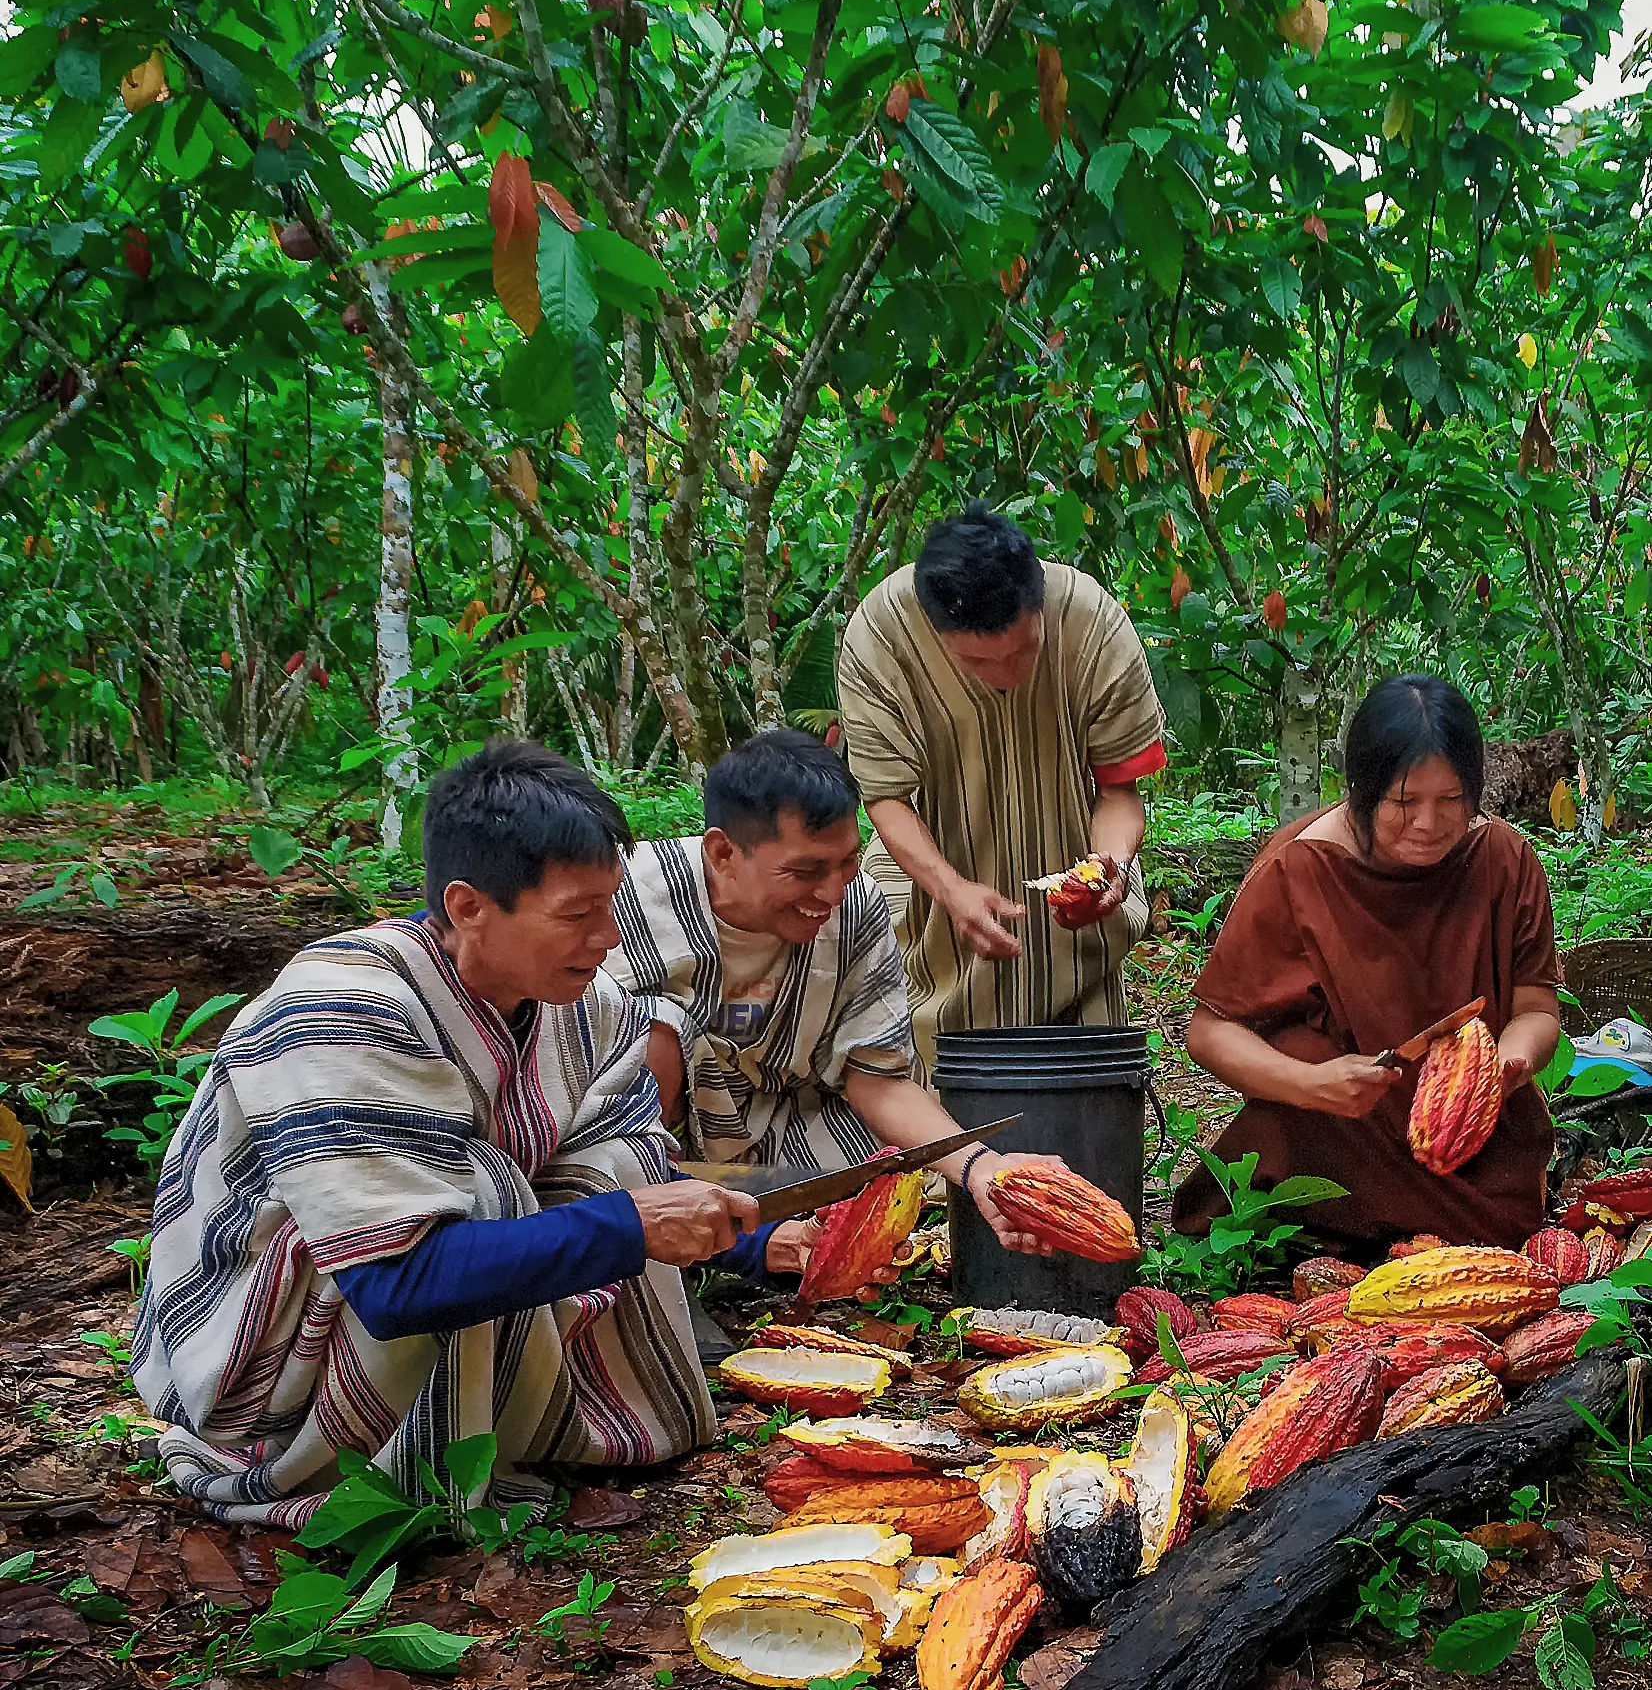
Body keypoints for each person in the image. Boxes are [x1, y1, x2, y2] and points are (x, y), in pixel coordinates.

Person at [133, 741, 788, 1527]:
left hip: (415, 1290)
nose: (609, 936)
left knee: (609, 1163)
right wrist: (633, 1224)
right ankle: (383, 1467)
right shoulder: (343, 1006)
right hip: (273, 1348)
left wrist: (758, 1237)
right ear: (469, 906)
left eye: (611, 906)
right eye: (578, 914)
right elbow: (393, 1279)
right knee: (482, 1186)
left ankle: (521, 1423)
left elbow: (634, 1164)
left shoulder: (594, 1005)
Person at [609, 729, 1063, 1288]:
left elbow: (877, 1078)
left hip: (785, 1142)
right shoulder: (629, 896)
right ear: (722, 853)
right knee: (655, 1026)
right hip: (645, 1149)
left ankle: (761, 1241)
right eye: (804, 872)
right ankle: (657, 1245)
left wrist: (981, 1170)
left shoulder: (856, 907)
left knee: (878, 1185)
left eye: (846, 863)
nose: (829, 892)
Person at [1172, 675, 1562, 1250]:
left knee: (1509, 1233)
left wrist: (1501, 1067)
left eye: (1452, 800)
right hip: (1341, 1120)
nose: (1428, 824)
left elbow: (1536, 1008)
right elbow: (1207, 1033)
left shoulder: (1503, 859)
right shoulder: (1299, 867)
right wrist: (1313, 1085)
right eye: (1404, 802)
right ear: (1362, 790)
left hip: (1470, 1136)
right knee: (1296, 1060)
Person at [836, 503, 1167, 1071]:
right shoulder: (880, 637)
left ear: (1039, 601)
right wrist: (951, 889)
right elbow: (886, 798)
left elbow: (1119, 790)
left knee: (1085, 1078)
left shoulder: (1093, 624)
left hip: (1076, 905)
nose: (1007, 674)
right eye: (978, 662)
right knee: (940, 1078)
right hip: (932, 903)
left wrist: (1107, 865)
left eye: (1023, 651)